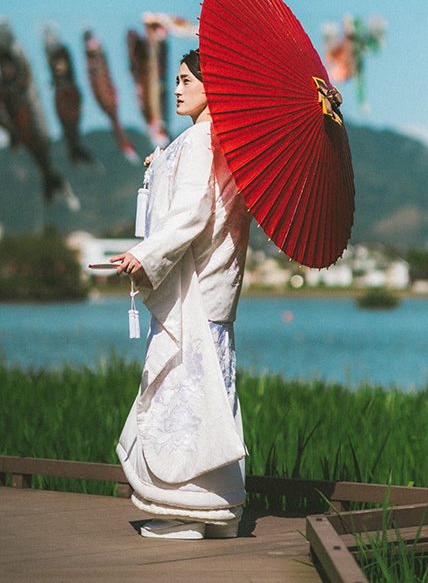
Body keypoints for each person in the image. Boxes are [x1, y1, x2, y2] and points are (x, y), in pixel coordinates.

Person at [110, 50, 251, 541]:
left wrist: (146, 256)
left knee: (183, 391)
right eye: (176, 80)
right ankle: (220, 508)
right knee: (215, 391)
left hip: (193, 290)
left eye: (186, 79)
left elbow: (190, 213)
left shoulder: (200, 142)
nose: (176, 89)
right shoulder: (233, 144)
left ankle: (184, 511)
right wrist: (165, 161)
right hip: (218, 290)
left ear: (212, 84)